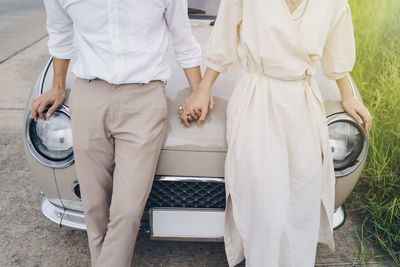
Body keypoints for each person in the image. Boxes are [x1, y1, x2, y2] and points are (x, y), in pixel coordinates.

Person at [179, 0, 373, 266]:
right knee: (264, 208)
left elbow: (336, 54)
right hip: (257, 96)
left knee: (301, 206)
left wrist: (347, 96)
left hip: (303, 104)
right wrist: (202, 90)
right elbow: (224, 39)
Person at [30, 1, 203, 266]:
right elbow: (60, 34)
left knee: (127, 210)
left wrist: (198, 91)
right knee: (94, 206)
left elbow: (183, 37)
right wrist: (57, 86)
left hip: (144, 96)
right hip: (89, 94)